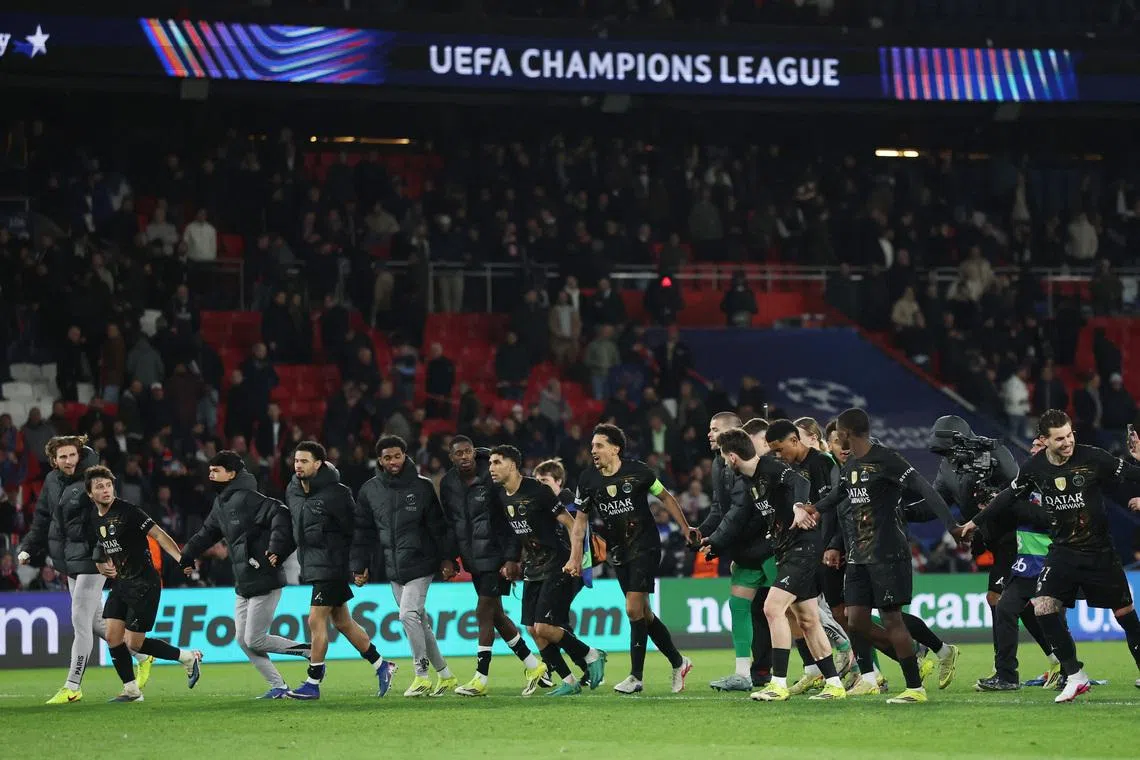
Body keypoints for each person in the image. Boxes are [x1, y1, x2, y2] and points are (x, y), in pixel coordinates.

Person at [961, 409, 1140, 702]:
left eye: (1070, 435)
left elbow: (1133, 474)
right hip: (1062, 552)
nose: (1068, 442)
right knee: (1043, 607)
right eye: (1060, 439)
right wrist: (974, 522)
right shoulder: (1035, 467)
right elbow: (1009, 495)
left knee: (1124, 614)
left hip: (1099, 553)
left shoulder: (1092, 457)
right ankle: (1075, 675)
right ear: (1044, 440)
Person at [795, 408, 960, 704]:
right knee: (854, 620)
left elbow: (926, 489)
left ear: (845, 433)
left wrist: (953, 526)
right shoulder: (851, 463)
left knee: (892, 619)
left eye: (839, 434)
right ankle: (879, 676)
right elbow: (840, 494)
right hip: (858, 556)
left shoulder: (888, 459)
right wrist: (814, 507)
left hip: (888, 554)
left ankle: (914, 688)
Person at [712, 428, 846, 701]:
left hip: (802, 548)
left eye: (725, 458)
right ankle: (834, 683)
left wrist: (798, 506)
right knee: (807, 619)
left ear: (733, 457)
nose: (725, 464)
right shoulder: (750, 482)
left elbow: (800, 482)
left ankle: (778, 684)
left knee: (772, 608)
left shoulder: (770, 467)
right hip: (787, 549)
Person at [16, 436, 151, 705]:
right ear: (54, 460)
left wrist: (104, 555)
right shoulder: (52, 482)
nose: (68, 461)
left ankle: (73, 686)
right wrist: (29, 547)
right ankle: (140, 655)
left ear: (79, 455)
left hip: (93, 561)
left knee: (79, 622)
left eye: (72, 455)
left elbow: (104, 520)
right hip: (68, 561)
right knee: (94, 623)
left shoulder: (91, 481)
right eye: (62, 457)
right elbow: (42, 517)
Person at [565, 423, 694, 694]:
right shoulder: (587, 480)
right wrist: (576, 558)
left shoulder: (640, 471)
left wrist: (685, 529)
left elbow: (666, 498)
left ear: (616, 448)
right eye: (592, 447)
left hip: (645, 547)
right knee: (643, 613)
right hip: (618, 552)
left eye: (599, 446)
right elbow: (580, 524)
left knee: (633, 609)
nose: (594, 451)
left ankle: (636, 677)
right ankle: (679, 662)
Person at [179, 451, 311, 699]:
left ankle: (308, 650)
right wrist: (187, 555)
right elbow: (207, 533)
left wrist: (276, 548)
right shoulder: (222, 503)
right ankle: (279, 686)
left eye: (216, 470)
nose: (210, 474)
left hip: (265, 578)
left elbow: (280, 513)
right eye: (210, 470)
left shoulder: (248, 498)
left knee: (255, 639)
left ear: (231, 474)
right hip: (244, 581)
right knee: (243, 640)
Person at [438, 436, 550, 696]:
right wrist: (449, 556)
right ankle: (534, 666)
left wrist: (512, 557)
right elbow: (451, 524)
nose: (464, 457)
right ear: (451, 457)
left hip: (497, 557)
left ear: (474, 452)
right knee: (496, 615)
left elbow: (509, 518)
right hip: (472, 558)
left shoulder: (492, 477)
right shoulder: (448, 484)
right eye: (458, 454)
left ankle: (480, 678)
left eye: (468, 452)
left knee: (483, 612)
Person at [285, 441, 396, 700]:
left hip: (332, 564)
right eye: (296, 461)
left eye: (304, 461)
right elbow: (295, 527)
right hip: (311, 563)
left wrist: (358, 563)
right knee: (343, 621)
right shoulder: (293, 490)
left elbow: (355, 530)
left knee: (315, 619)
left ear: (318, 464)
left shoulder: (337, 493)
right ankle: (382, 665)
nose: (298, 465)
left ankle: (313, 681)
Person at [490, 445, 606, 696]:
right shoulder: (502, 496)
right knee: (533, 630)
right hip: (532, 566)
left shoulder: (538, 490)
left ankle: (591, 654)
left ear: (512, 465)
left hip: (556, 564)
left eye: (497, 462)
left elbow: (570, 522)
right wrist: (512, 561)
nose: (491, 467)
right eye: (490, 463)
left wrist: (576, 558)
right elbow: (517, 533)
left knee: (544, 627)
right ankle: (569, 680)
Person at [352, 435, 458, 697]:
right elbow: (363, 532)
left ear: (405, 455)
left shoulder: (421, 487)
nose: (393, 461)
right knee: (420, 623)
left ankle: (421, 675)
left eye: (397, 456)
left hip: (422, 563)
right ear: (380, 460)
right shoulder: (370, 490)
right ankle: (445, 675)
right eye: (387, 458)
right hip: (393, 568)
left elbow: (438, 526)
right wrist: (359, 564)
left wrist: (447, 558)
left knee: (407, 615)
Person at [928, 415, 1030, 686]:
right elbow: (934, 504)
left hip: (1016, 536)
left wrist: (986, 509)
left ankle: (1007, 674)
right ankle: (1058, 662)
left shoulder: (994, 451)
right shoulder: (946, 467)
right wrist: (900, 509)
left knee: (998, 599)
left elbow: (1017, 488)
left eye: (948, 447)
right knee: (1023, 604)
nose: (947, 454)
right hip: (993, 540)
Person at [85, 466, 202, 702]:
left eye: (108, 485)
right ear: (90, 494)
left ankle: (187, 657)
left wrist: (180, 559)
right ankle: (131, 690)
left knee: (134, 644)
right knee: (112, 637)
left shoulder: (128, 511)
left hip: (144, 583)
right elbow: (100, 547)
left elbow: (158, 534)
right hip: (121, 583)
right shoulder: (95, 518)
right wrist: (100, 566)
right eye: (99, 487)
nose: (106, 490)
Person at [764, 419, 857, 694]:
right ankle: (832, 678)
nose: (779, 457)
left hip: (825, 549)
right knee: (810, 617)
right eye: (774, 453)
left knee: (839, 615)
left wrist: (832, 544)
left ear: (795, 441)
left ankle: (866, 673)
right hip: (806, 548)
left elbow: (839, 505)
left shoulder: (824, 463)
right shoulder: (790, 470)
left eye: (781, 450)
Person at [973, 435, 1063, 691]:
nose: (1031, 448)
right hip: (1026, 562)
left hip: (1053, 558)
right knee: (1004, 608)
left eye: (1037, 445)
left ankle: (1070, 670)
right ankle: (1007, 676)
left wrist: (1010, 505)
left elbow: (1049, 517)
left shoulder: (1058, 481)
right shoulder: (1025, 480)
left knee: (1055, 617)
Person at [697, 413, 777, 692]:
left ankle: (830, 660)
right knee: (739, 606)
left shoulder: (753, 467)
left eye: (715, 429)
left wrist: (716, 543)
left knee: (797, 613)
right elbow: (720, 509)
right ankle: (743, 674)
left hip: (769, 548)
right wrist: (702, 532)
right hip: (744, 551)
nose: (709, 434)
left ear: (734, 434)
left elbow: (740, 512)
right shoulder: (719, 465)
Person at [534, 457, 606, 685]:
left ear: (558, 481)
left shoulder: (569, 504)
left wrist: (574, 564)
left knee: (549, 623)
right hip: (557, 569)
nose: (540, 485)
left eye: (544, 480)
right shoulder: (548, 504)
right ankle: (583, 666)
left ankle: (580, 663)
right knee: (555, 622)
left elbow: (577, 537)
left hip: (570, 569)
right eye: (536, 481)